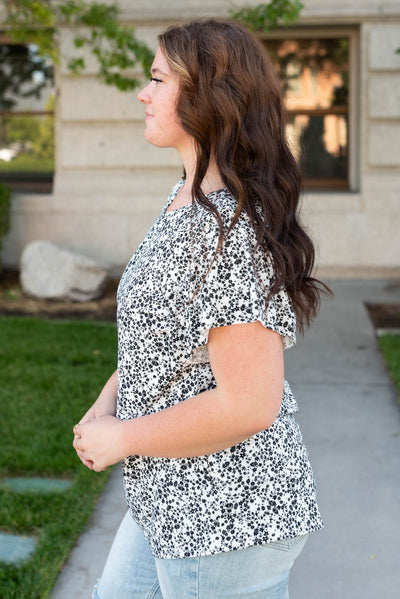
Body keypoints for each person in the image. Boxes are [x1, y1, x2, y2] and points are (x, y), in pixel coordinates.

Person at [73, 19, 329, 599]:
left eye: (158, 79)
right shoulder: (186, 198)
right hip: (169, 494)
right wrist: (105, 406)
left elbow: (250, 404)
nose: (143, 93)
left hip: (222, 516)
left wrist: (125, 438)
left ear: (208, 98)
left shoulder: (231, 231)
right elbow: (160, 340)